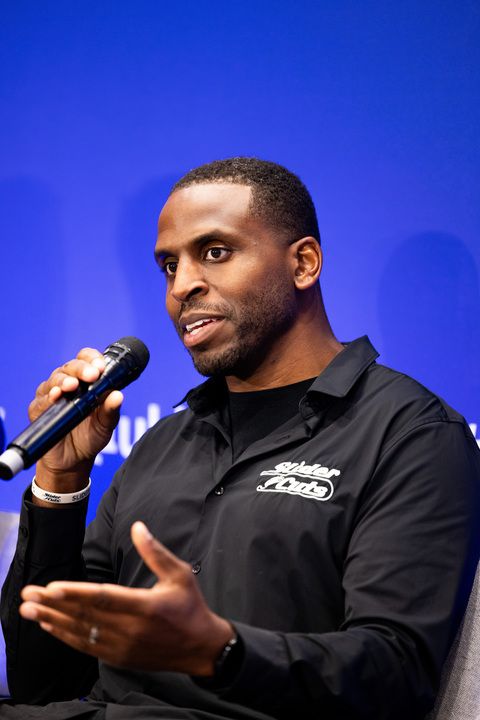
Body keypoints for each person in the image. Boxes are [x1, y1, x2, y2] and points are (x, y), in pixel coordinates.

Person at [1, 158, 479, 720]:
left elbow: (395, 676)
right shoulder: (162, 443)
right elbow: (45, 680)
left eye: (215, 252)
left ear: (303, 263)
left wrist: (221, 651)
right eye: (169, 266)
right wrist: (60, 478)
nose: (182, 286)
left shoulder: (411, 435)